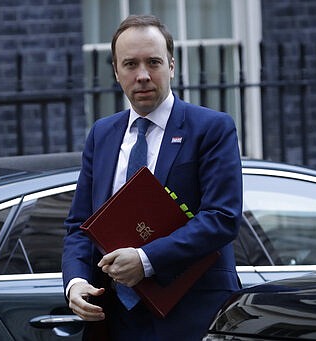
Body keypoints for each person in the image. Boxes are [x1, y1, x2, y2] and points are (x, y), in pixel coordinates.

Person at [62, 14, 242, 340]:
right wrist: (74, 282)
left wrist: (146, 260)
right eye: (130, 64)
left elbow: (222, 218)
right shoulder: (101, 135)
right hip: (114, 320)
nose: (143, 75)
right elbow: (79, 226)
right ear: (116, 72)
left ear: (171, 66)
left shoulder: (212, 129)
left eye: (153, 62)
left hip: (190, 317)